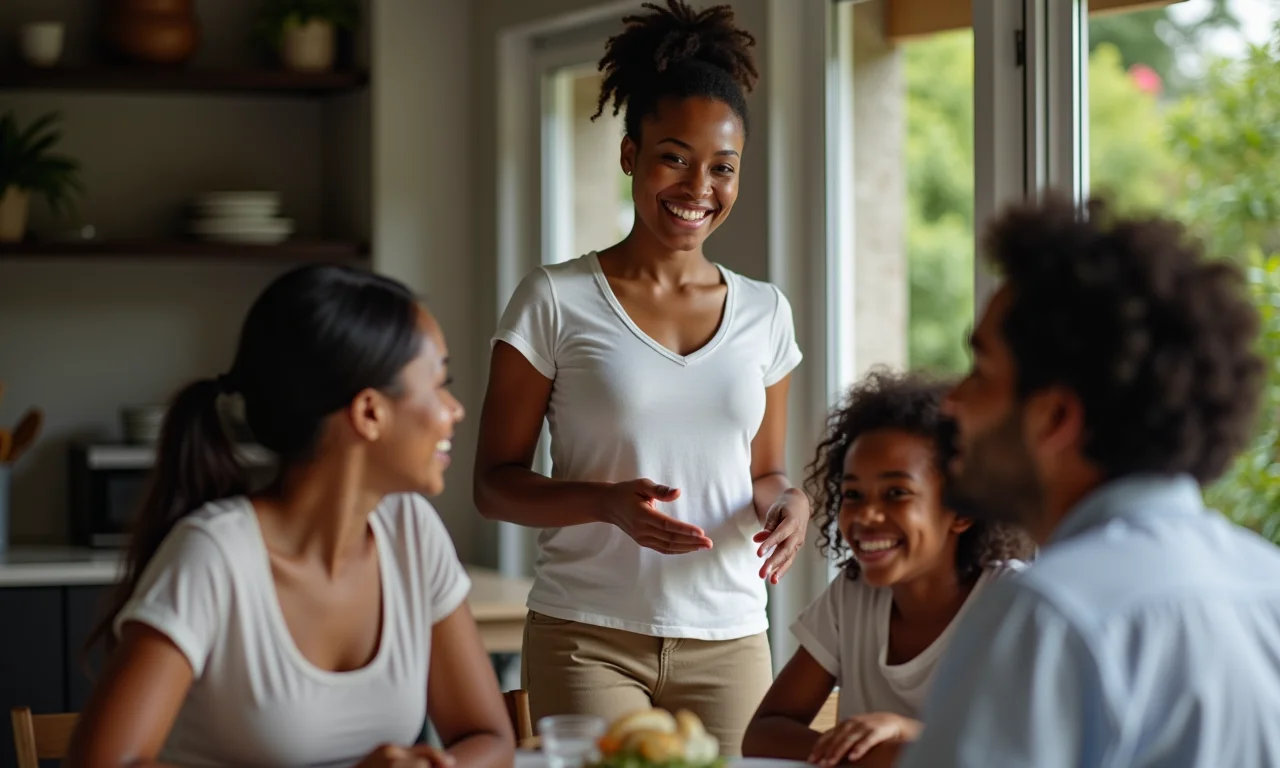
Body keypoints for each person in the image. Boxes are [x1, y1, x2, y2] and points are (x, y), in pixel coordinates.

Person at [473, 0, 806, 755]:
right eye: (674, 156)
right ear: (630, 155)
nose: (699, 186)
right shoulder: (554, 298)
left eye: (723, 167)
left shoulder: (765, 312)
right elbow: (493, 483)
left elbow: (763, 472)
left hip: (730, 636)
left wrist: (792, 503)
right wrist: (603, 504)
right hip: (587, 637)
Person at [66, 265, 515, 768]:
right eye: (439, 384)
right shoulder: (214, 555)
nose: (454, 410)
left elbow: (489, 738)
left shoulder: (412, 531)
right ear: (369, 412)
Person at [898, 195, 1280, 767]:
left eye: (980, 371)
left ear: (1055, 418)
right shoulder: (1266, 586)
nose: (951, 401)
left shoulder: (1045, 616)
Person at [741, 371, 1031, 767]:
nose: (866, 515)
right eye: (853, 495)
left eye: (897, 493)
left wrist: (904, 734)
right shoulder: (853, 594)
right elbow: (764, 732)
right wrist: (869, 756)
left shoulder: (1014, 603)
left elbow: (1023, 750)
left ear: (962, 508)